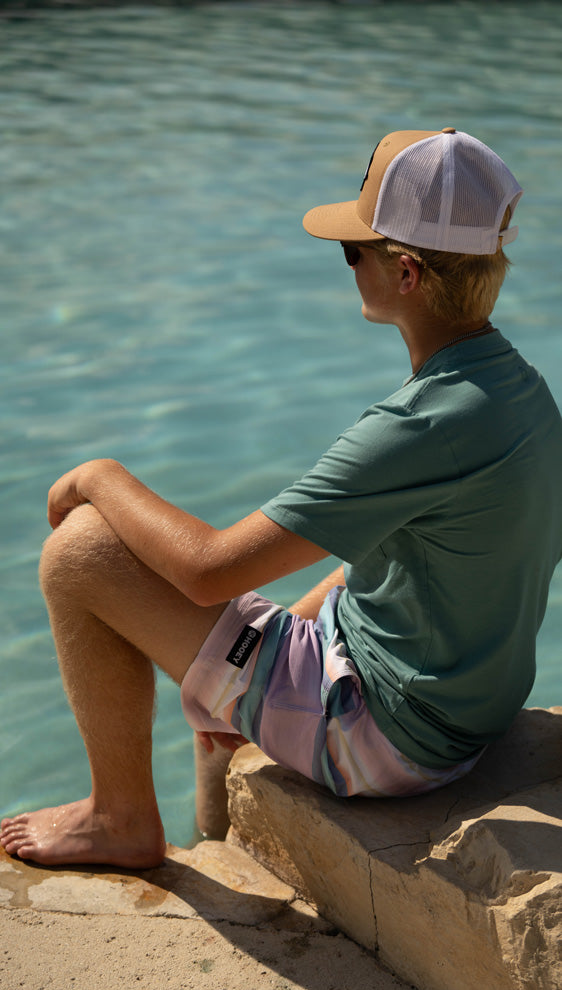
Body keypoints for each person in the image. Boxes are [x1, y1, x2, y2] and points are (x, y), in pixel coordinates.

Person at [2, 127, 562, 869]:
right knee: (214, 715)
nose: (347, 264)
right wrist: (255, 655)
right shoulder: (520, 391)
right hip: (458, 702)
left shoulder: (418, 426)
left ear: (405, 274)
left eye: (351, 251)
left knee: (80, 551)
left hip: (391, 738)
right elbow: (403, 562)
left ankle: (121, 817)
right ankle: (219, 848)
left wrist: (98, 474)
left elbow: (207, 571)